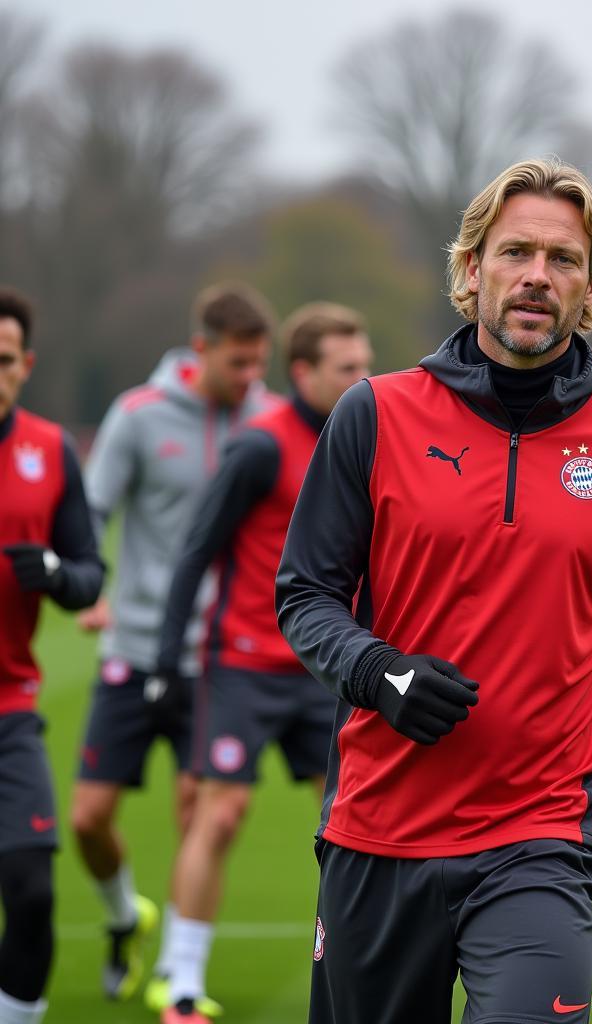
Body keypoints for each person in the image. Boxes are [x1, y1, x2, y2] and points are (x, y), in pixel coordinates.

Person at [276, 157, 592, 1024]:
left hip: (542, 839)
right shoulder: (374, 414)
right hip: (378, 828)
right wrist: (376, 671)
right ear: (473, 272)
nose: (537, 276)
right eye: (515, 253)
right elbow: (305, 594)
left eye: (564, 260)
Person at [153, 303, 374, 1024]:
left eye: (366, 364)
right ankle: (181, 983)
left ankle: (355, 970)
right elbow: (197, 549)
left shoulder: (374, 438)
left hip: (330, 669)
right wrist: (166, 655)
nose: (363, 379)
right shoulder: (260, 446)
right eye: (347, 370)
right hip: (243, 663)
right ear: (303, 372)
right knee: (221, 815)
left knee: (354, 821)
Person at [69, 283, 275, 1007]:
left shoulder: (268, 424)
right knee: (88, 819)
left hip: (218, 658)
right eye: (239, 363)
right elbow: (91, 510)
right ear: (202, 350)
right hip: (133, 647)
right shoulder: (138, 415)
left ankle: (176, 975)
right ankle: (128, 914)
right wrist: (90, 589)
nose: (251, 378)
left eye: (259, 365)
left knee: (204, 814)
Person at [0, 287, 105, 1024]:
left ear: (25, 365)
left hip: (10, 710)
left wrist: (60, 576)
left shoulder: (49, 449)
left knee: (34, 895)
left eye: (2, 360)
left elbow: (89, 574)